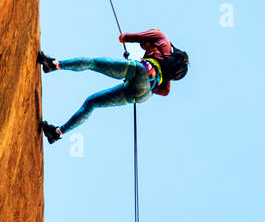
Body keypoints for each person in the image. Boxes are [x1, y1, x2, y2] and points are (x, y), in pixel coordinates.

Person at [38, 30, 188, 143]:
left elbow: (127, 37)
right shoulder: (168, 74)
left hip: (143, 70)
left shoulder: (161, 38)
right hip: (144, 94)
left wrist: (125, 41)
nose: (144, 47)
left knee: (93, 63)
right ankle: (57, 133)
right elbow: (165, 91)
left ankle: (53, 65)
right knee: (92, 103)